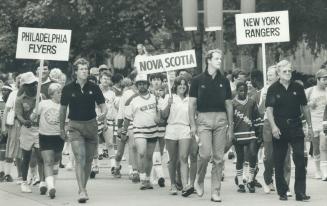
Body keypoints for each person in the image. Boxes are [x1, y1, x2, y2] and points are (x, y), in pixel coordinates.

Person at [59, 58, 107, 203]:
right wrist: (62, 128)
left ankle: (83, 188)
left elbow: (103, 105)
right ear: (75, 72)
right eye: (82, 69)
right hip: (75, 126)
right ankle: (82, 190)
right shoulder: (68, 88)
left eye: (86, 69)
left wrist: (103, 113)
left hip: (92, 125)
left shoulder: (94, 87)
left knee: (88, 160)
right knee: (80, 157)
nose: (85, 71)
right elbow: (62, 110)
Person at [189, 49, 233, 202]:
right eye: (216, 58)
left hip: (221, 120)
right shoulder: (197, 80)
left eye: (220, 59)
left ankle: (216, 191)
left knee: (219, 158)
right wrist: (193, 125)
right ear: (208, 60)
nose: (219, 61)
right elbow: (192, 105)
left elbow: (229, 105)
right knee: (205, 154)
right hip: (203, 120)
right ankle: (199, 180)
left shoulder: (225, 81)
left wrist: (231, 128)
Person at [266, 60, 312, 201]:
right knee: (279, 161)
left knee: (299, 159)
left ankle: (300, 193)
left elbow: (304, 107)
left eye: (289, 71)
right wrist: (273, 127)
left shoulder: (298, 87)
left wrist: (310, 126)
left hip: (296, 126)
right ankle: (283, 191)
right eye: (284, 71)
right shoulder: (273, 89)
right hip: (279, 128)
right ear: (278, 73)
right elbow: (269, 110)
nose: (287, 73)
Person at [121, 74, 160, 190]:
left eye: (144, 83)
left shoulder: (154, 97)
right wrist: (124, 131)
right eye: (139, 84)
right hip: (139, 130)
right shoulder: (133, 100)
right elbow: (127, 117)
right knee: (141, 153)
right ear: (137, 86)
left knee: (149, 156)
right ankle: (142, 178)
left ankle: (147, 178)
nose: (142, 86)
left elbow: (159, 111)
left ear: (148, 85)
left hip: (153, 130)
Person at [31, 83, 64, 199]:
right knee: (48, 161)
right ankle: (51, 187)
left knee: (56, 160)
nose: (61, 94)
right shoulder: (43, 104)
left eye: (61, 92)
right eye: (58, 92)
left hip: (59, 137)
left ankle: (47, 182)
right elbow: (33, 116)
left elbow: (68, 121)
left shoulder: (65, 106)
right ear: (51, 94)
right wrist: (33, 115)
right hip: (45, 136)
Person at [160, 76, 192, 196]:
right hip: (172, 128)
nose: (182, 86)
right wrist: (168, 105)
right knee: (172, 159)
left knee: (183, 158)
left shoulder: (190, 99)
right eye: (180, 84)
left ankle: (185, 186)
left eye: (184, 84)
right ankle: (173, 184)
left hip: (185, 128)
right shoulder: (170, 97)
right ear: (176, 86)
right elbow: (163, 115)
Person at [15, 72, 45, 194]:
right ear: (24, 86)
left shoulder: (41, 97)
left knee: (40, 156)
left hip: (39, 129)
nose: (33, 86)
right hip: (26, 130)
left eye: (34, 83)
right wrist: (24, 121)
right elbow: (18, 115)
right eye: (30, 84)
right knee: (26, 157)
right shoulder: (20, 99)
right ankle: (24, 182)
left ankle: (43, 181)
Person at [232, 82, 262, 193]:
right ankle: (240, 182)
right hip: (238, 134)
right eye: (240, 90)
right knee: (240, 158)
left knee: (253, 155)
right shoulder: (232, 103)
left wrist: (259, 132)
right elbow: (230, 120)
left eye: (244, 90)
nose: (243, 92)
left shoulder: (251, 102)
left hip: (251, 133)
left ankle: (250, 180)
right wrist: (231, 133)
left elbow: (257, 117)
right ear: (236, 91)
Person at [305, 69, 327, 179]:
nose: (326, 81)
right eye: (324, 79)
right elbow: (302, 106)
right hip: (313, 123)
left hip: (325, 124)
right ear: (317, 80)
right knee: (316, 148)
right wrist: (309, 104)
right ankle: (317, 169)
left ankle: (324, 171)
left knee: (324, 146)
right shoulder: (309, 91)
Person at [2, 75, 22, 183]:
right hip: (14, 123)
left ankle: (21, 175)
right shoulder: (14, 94)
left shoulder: (31, 94)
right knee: (11, 148)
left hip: (25, 125)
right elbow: (6, 110)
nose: (21, 83)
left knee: (22, 150)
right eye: (20, 81)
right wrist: (3, 126)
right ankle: (7, 173)